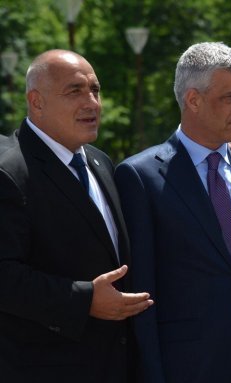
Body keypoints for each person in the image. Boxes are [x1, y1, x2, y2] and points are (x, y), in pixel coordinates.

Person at [114, 42, 231, 383]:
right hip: (188, 367)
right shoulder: (140, 176)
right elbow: (143, 290)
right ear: (193, 100)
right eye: (230, 97)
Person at [0, 49, 153, 382]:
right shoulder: (8, 170)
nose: (93, 103)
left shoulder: (100, 162)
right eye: (75, 91)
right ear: (36, 101)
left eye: (95, 90)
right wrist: (84, 301)